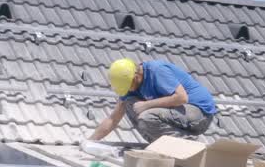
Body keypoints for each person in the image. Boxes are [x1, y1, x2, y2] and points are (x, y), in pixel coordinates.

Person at [89, 58, 218, 144]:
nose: (128, 90)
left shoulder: (156, 71)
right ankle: (161, 146)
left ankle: (191, 146)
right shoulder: (132, 85)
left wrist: (146, 105)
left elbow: (181, 98)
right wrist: (90, 141)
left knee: (148, 117)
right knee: (129, 103)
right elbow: (113, 119)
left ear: (136, 77)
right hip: (177, 115)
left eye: (129, 85)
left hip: (199, 112)